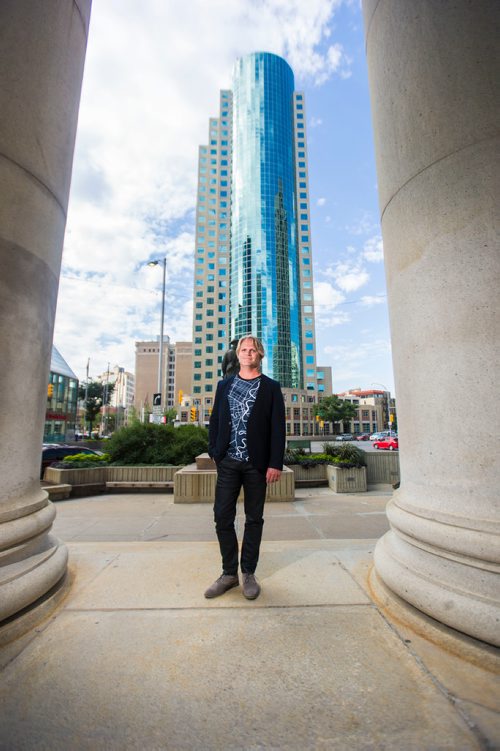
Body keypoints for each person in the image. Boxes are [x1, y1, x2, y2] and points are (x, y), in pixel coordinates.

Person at [205, 334, 286, 600]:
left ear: (260, 355)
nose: (248, 353)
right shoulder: (224, 385)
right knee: (222, 517)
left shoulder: (271, 387)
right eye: (244, 349)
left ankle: (248, 572)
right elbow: (215, 420)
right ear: (237, 354)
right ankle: (229, 573)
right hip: (228, 462)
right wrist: (215, 453)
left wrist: (275, 463)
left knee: (254, 519)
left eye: (253, 349)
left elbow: (277, 429)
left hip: (257, 465)